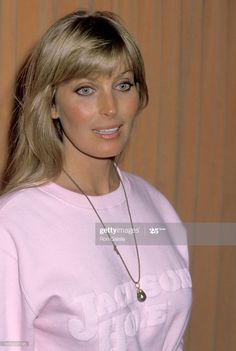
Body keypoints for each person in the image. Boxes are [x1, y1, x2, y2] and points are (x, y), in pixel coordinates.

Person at [0, 10, 192, 351]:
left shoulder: (156, 205)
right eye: (86, 89)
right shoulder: (12, 227)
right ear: (52, 104)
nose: (110, 108)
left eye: (123, 85)